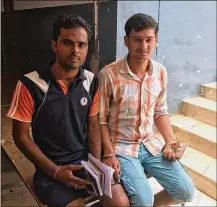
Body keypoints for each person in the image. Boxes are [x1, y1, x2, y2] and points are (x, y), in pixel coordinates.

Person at [7, 14, 128, 207]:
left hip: (84, 163)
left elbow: (94, 126)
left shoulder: (91, 81)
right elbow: (20, 136)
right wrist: (55, 171)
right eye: (67, 43)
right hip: (49, 171)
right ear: (54, 45)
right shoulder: (30, 84)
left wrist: (96, 166)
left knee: (120, 202)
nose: (75, 51)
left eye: (82, 45)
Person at [98, 13, 195, 207]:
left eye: (149, 40)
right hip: (121, 147)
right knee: (143, 200)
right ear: (126, 41)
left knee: (186, 192)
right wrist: (108, 154)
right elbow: (100, 120)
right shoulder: (108, 74)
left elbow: (160, 111)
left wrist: (170, 141)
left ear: (156, 41)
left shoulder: (160, 72)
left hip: (150, 143)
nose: (143, 47)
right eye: (137, 40)